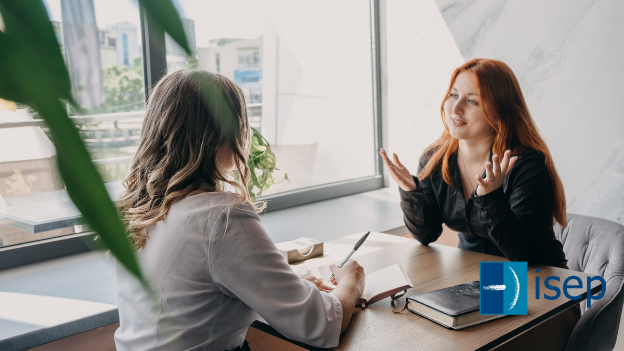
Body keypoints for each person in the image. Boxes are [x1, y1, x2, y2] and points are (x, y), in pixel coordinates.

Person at [114, 70, 365, 351]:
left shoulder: (142, 209)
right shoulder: (220, 216)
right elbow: (319, 324)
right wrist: (351, 282)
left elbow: (195, 297)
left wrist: (284, 288)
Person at [381, 58, 578, 350]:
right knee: (417, 331)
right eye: (453, 95)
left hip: (540, 284)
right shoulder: (437, 158)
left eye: (471, 101)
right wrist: (410, 190)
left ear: (499, 113)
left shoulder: (526, 165)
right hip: (475, 282)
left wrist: (489, 198)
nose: (455, 108)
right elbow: (427, 233)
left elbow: (522, 254)